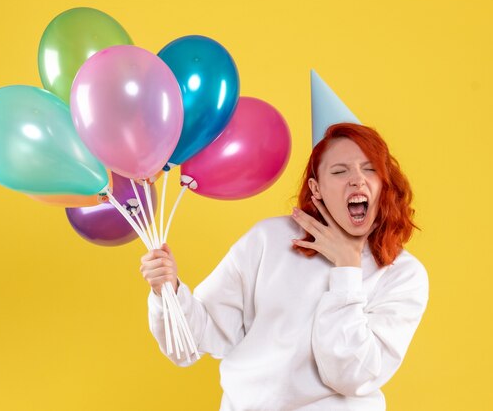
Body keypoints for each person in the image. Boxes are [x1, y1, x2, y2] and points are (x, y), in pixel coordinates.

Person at [140, 123, 429, 410]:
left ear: (383, 184)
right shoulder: (269, 239)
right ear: (317, 188)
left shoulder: (403, 275)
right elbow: (191, 342)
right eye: (340, 171)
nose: (357, 180)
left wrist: (347, 268)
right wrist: (168, 289)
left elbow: (351, 376)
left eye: (370, 169)